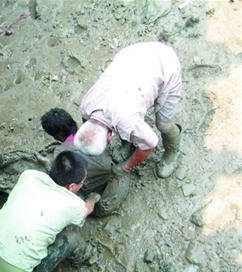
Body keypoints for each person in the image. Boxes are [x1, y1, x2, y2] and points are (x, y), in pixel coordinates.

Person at [0, 151, 100, 272]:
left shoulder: (29, 175)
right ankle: (77, 260)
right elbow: (87, 209)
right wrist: (93, 198)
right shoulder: (76, 206)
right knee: (72, 238)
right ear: (72, 186)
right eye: (83, 182)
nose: (83, 184)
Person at [74, 42, 182, 178]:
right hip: (131, 55)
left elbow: (150, 144)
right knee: (127, 129)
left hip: (165, 64)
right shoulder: (86, 106)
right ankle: (128, 141)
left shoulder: (128, 123)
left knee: (163, 124)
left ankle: (172, 152)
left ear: (109, 137)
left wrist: (125, 167)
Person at [41, 107, 130, 217]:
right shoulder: (93, 129)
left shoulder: (60, 153)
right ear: (73, 122)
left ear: (57, 136)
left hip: (93, 186)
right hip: (114, 173)